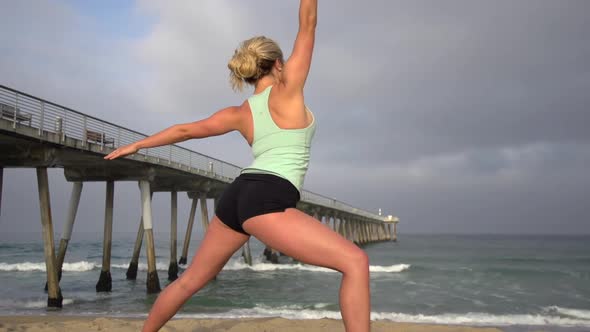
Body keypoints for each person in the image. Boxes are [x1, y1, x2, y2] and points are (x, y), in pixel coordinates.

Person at [104, 1, 370, 331]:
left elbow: (186, 130)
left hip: (237, 196)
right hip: (268, 196)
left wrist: (139, 144)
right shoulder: (288, 92)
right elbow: (308, 24)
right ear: (277, 64)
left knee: (191, 282)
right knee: (355, 261)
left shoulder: (239, 113)